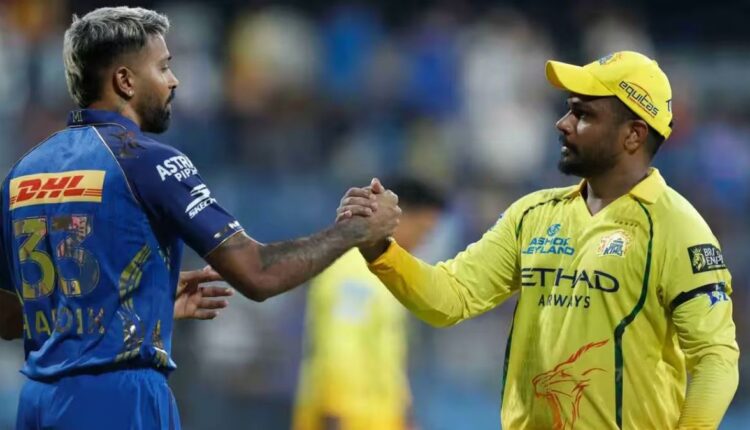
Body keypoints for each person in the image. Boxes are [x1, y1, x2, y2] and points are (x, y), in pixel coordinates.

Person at [0, 7, 398, 430]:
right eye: (163, 67)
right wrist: (355, 230)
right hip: (120, 400)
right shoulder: (147, 162)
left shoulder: (22, 174)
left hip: (38, 404)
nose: (173, 80)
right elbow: (257, 274)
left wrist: (140, 310)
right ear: (125, 81)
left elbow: (8, 320)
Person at [339, 51, 739, 429]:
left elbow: (715, 358)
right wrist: (380, 249)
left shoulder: (678, 229)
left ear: (633, 135)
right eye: (569, 109)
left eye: (583, 114)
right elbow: (451, 298)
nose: (562, 123)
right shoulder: (532, 215)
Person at [293, 178, 446, 430]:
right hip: (351, 418)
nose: (423, 242)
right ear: (399, 217)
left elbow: (384, 356)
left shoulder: (386, 272)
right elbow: (340, 344)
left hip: (379, 418)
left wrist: (404, 415)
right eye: (423, 231)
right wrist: (335, 414)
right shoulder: (354, 271)